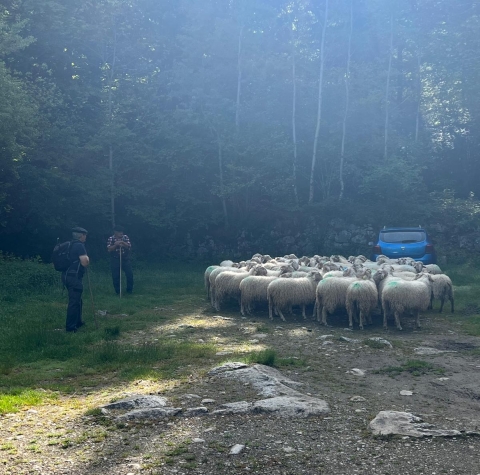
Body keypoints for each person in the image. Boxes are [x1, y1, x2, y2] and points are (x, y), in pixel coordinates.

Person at [62, 227, 89, 333]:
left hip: (66, 276)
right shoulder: (79, 246)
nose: (85, 237)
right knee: (74, 302)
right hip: (74, 277)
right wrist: (88, 260)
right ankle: (70, 327)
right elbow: (84, 262)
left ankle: (78, 322)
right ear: (80, 235)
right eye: (84, 235)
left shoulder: (69, 245)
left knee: (78, 300)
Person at [107, 225, 133, 295]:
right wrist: (116, 245)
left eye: (122, 231)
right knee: (116, 276)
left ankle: (129, 290)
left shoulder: (125, 237)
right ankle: (118, 291)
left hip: (125, 258)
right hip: (115, 259)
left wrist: (122, 243)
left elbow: (128, 246)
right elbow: (109, 249)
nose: (121, 233)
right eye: (119, 232)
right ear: (115, 232)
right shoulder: (111, 238)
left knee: (129, 274)